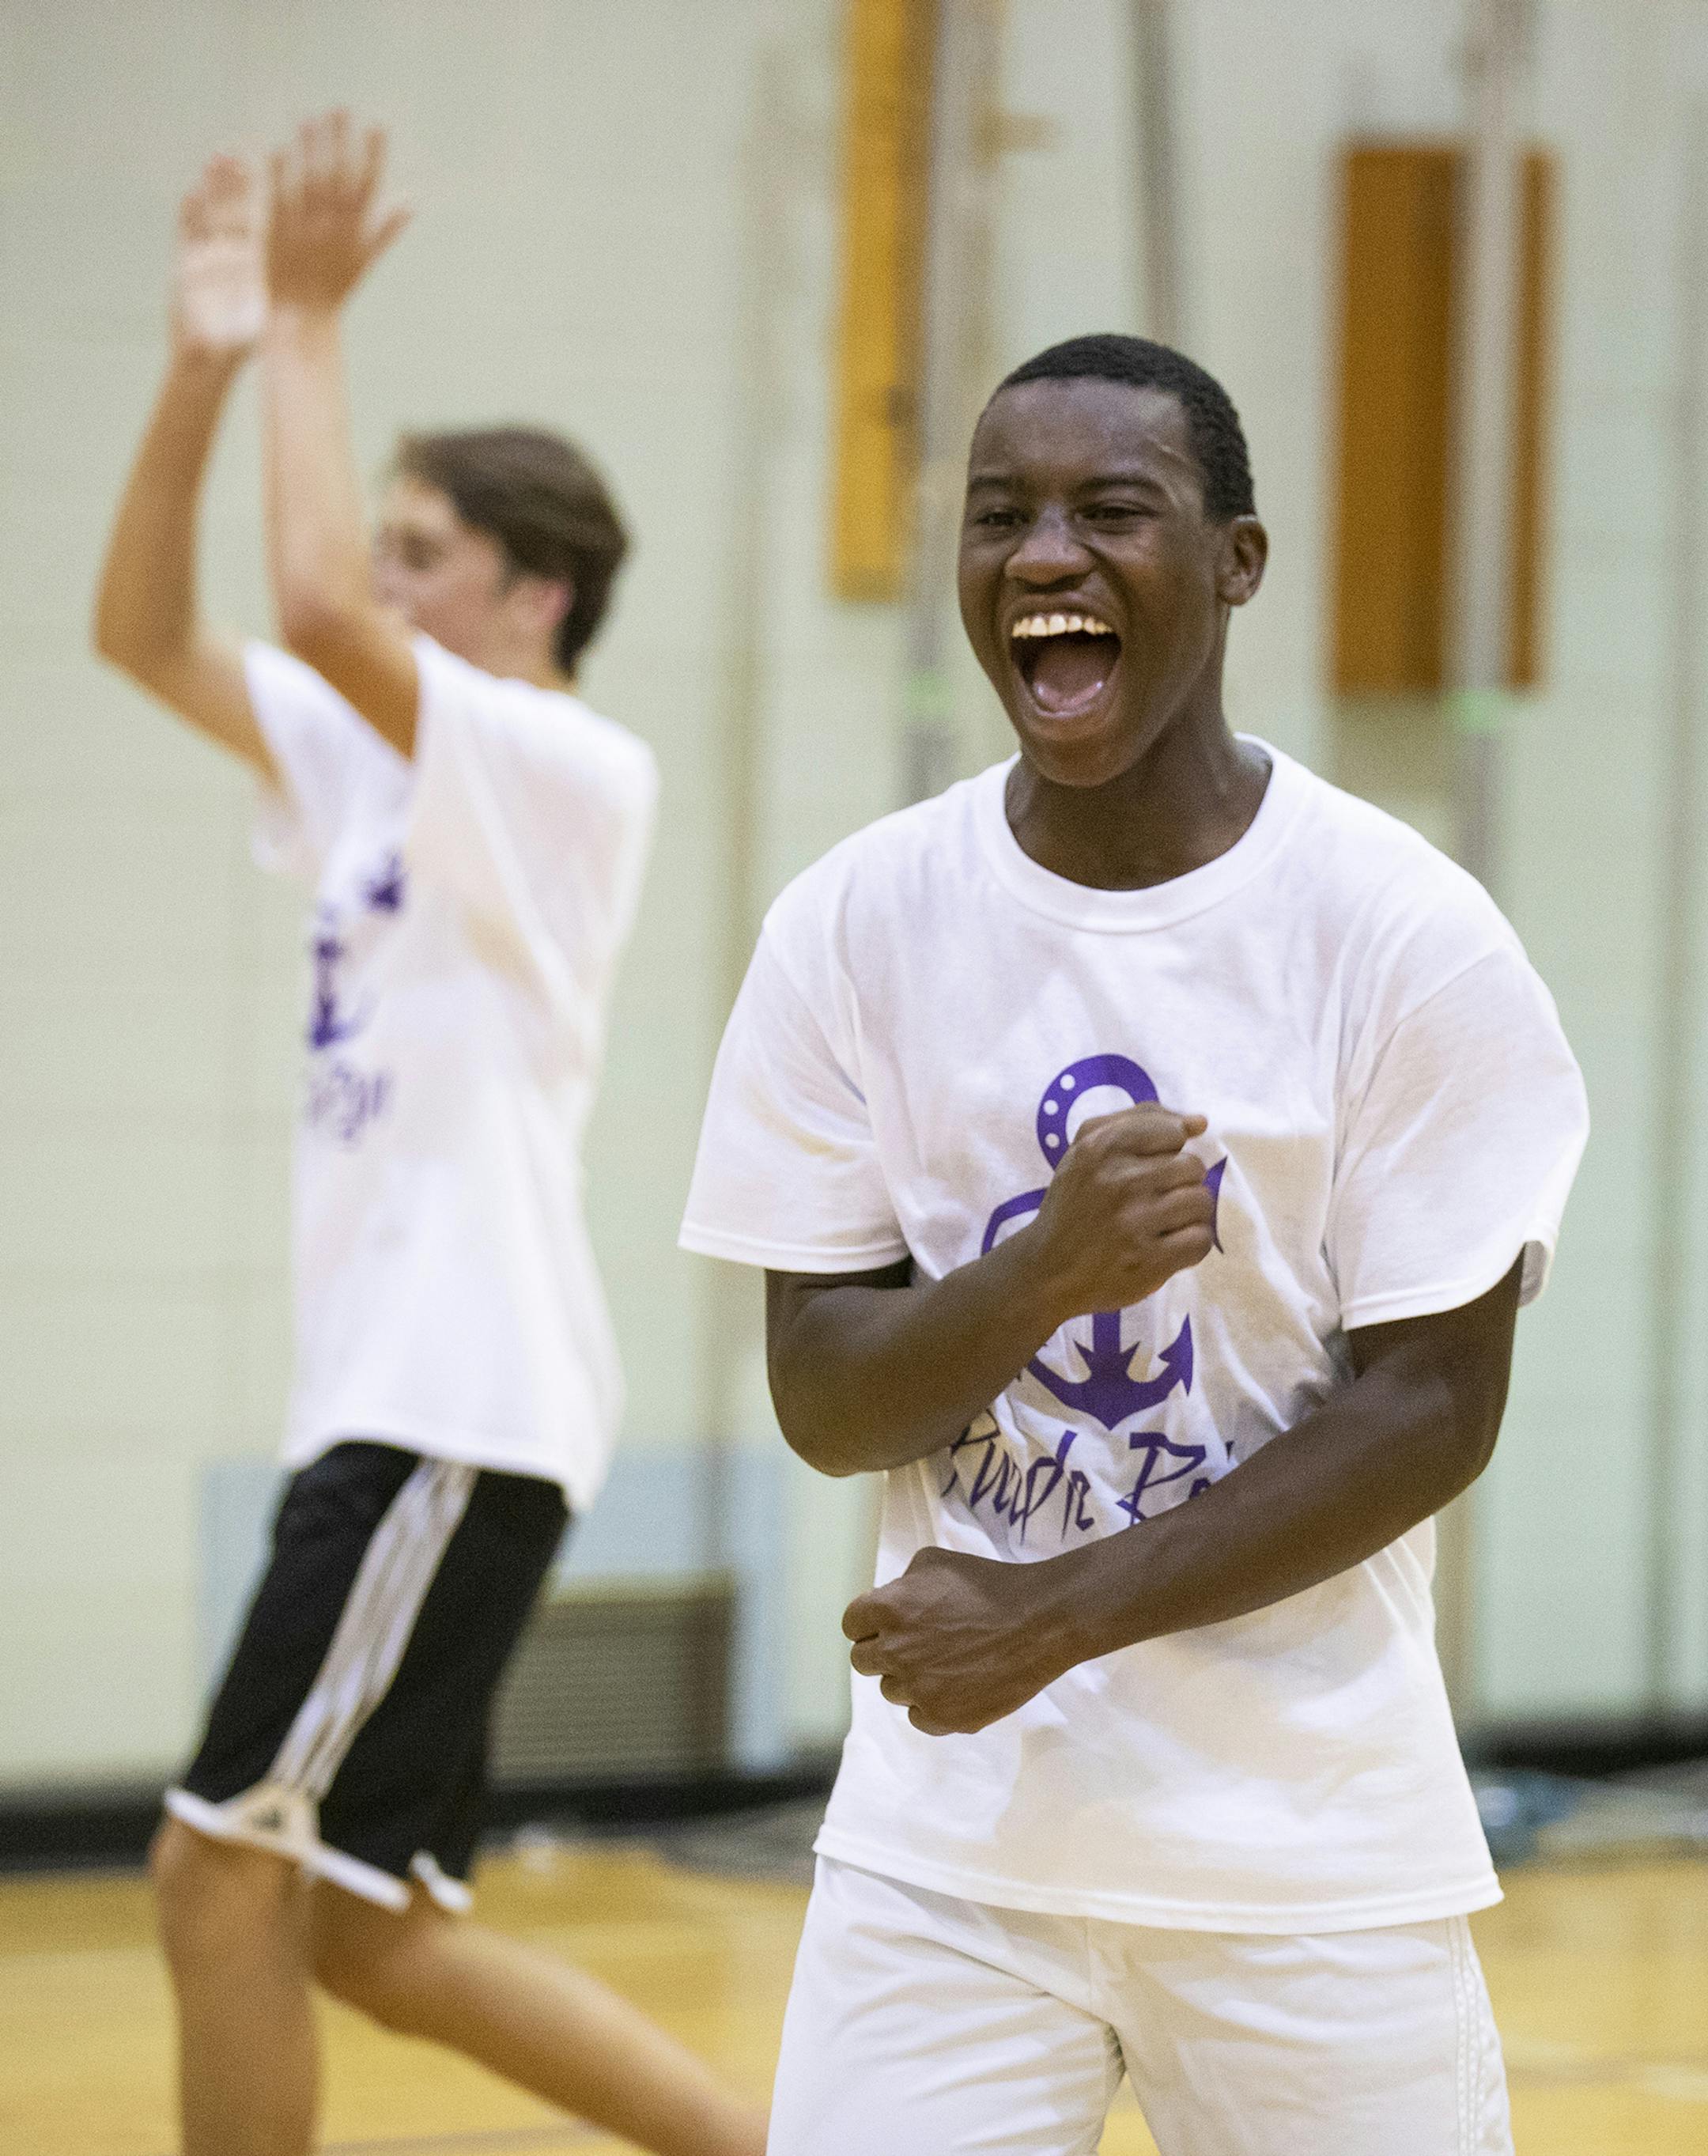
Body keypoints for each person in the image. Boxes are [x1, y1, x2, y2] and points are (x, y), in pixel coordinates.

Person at [679, 331, 1589, 2154]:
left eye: (1114, 511)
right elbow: (822, 1394)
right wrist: (1041, 1277)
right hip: (951, 1859)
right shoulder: (854, 924)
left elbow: (1432, 1410)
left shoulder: (1401, 935)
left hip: (1306, 1858)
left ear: (1238, 560)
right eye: (999, 516)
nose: (1043, 558)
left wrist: (1046, 1614)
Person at [94, 115, 765, 2156]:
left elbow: (297, 596)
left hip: (448, 1404)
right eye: (381, 546)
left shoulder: (564, 763)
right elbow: (142, 631)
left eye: (421, 555)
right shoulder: (373, 769)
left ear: (534, 597)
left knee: (214, 1874)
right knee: (370, 1937)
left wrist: (306, 322)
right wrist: (208, 360)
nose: (372, 580)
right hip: (414, 1407)